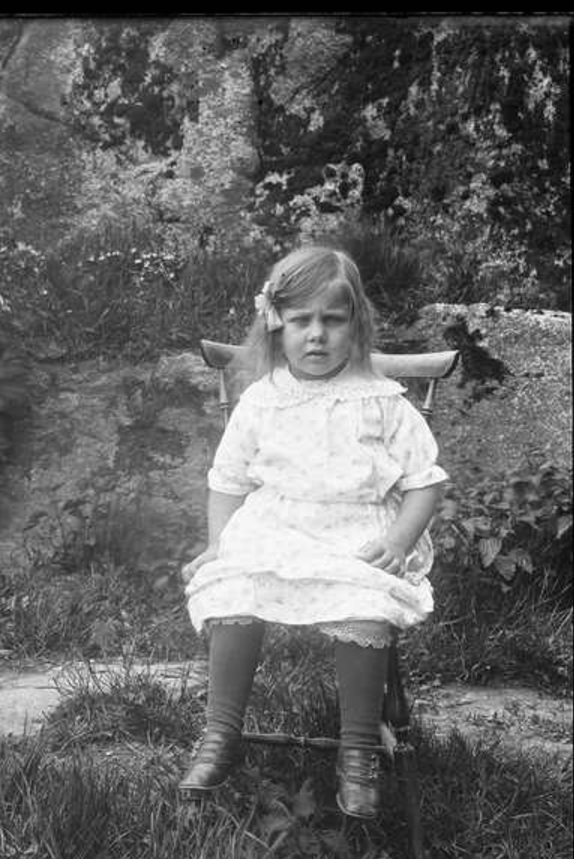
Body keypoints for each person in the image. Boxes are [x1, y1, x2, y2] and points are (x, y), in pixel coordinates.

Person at [179, 245, 447, 818]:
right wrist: (218, 544)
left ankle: (358, 749)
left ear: (357, 323)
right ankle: (220, 733)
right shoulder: (262, 399)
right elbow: (227, 481)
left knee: (363, 603)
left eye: (333, 319)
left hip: (357, 533)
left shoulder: (382, 401)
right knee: (234, 588)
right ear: (276, 324)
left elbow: (425, 482)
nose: (317, 335)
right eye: (301, 320)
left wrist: (398, 541)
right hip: (274, 529)